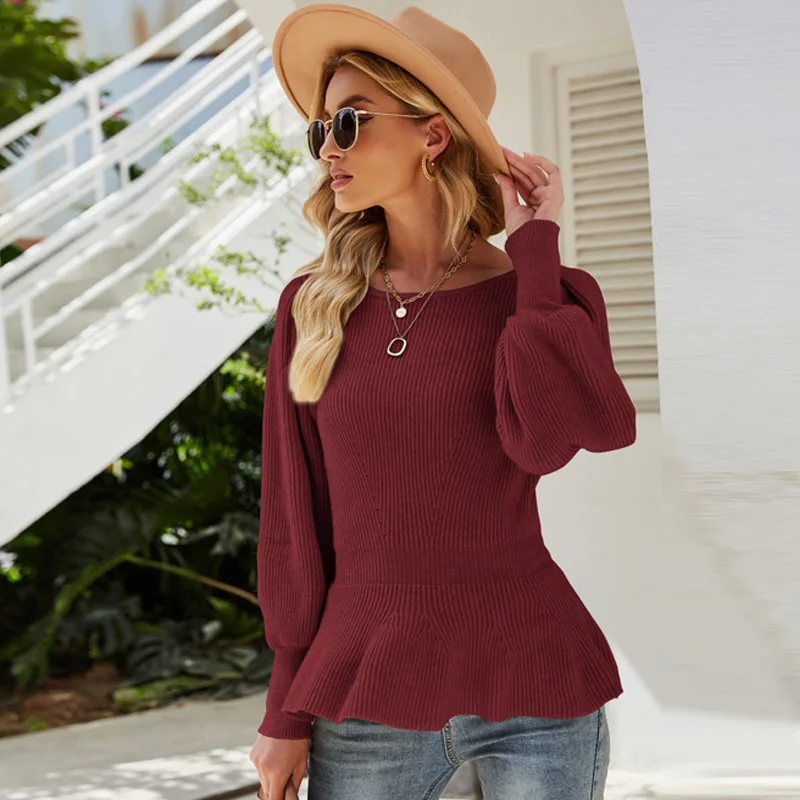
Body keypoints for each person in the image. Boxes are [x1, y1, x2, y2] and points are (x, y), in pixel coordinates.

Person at [249, 5, 637, 800]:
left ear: (432, 135)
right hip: (364, 691)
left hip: (536, 682)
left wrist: (534, 246)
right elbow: (292, 515)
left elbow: (551, 441)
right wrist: (285, 705)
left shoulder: (542, 295)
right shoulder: (311, 307)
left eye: (350, 122)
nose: (328, 149)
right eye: (320, 130)